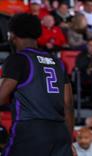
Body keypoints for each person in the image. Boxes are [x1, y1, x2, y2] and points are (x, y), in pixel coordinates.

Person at [0, 13, 74, 156]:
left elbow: (1, 97)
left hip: (31, 129)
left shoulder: (18, 59)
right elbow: (68, 105)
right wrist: (69, 142)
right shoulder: (57, 62)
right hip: (59, 132)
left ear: (12, 35)